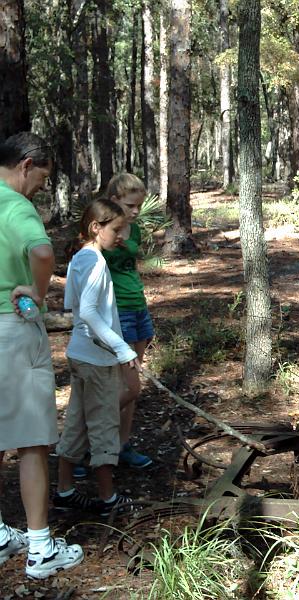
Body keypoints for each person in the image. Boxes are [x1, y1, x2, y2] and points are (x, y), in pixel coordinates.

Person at [0, 132, 84, 579]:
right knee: (31, 440)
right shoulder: (15, 206)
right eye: (41, 180)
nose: (40, 190)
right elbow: (43, 251)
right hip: (12, 328)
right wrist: (35, 291)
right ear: (27, 164)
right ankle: (39, 548)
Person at [53, 199, 139, 516]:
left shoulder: (80, 258)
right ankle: (108, 499)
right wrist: (121, 348)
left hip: (79, 355)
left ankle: (65, 490)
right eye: (115, 229)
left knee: (76, 422)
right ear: (96, 227)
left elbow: (71, 304)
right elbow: (87, 311)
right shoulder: (96, 263)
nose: (120, 236)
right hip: (97, 362)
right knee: (103, 427)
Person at [102, 173, 153, 469]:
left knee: (133, 385)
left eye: (139, 205)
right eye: (131, 205)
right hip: (116, 311)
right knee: (123, 385)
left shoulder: (133, 231)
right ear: (114, 200)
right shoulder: (102, 232)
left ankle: (122, 444)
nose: (136, 211)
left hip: (137, 306)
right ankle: (87, 440)